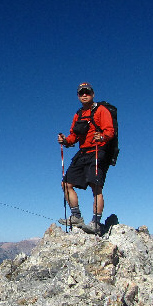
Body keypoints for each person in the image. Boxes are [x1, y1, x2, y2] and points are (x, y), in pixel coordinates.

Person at [57, 82, 115, 235]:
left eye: (87, 92)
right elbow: (74, 136)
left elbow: (110, 131)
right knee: (66, 183)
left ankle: (96, 223)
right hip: (83, 153)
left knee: (95, 186)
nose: (84, 95)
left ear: (92, 94)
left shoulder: (101, 110)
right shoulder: (79, 114)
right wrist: (65, 140)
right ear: (78, 96)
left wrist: (101, 136)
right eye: (81, 93)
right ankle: (76, 217)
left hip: (98, 150)